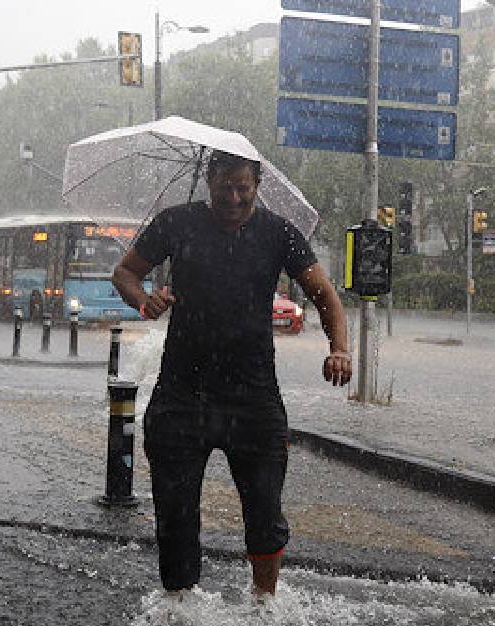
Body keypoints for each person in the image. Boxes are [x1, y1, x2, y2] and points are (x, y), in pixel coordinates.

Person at [111, 150, 352, 601]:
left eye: (244, 188)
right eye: (226, 187)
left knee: (264, 510)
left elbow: (324, 294)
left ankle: (266, 604)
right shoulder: (175, 223)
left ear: (257, 184)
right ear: (210, 181)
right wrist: (144, 301)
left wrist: (339, 349)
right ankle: (180, 609)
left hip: (253, 395)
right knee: (176, 512)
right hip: (182, 394)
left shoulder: (279, 233)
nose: (235, 197)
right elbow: (124, 272)